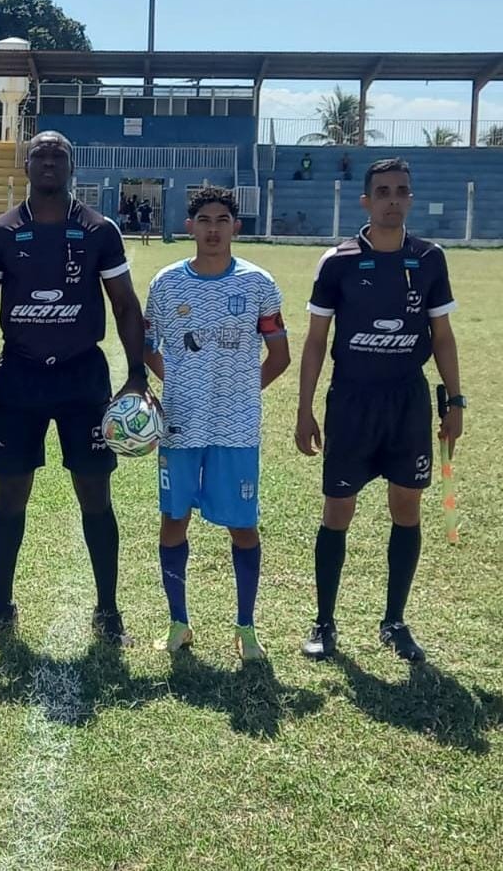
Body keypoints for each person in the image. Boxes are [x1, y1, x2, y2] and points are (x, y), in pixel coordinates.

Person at [0, 131, 148, 644]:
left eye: (57, 155)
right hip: (18, 378)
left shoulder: (99, 230)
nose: (47, 162)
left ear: (71, 166)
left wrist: (136, 372)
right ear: (25, 166)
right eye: (38, 155)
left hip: (81, 378)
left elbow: (126, 305)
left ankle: (108, 612)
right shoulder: (1, 232)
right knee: (9, 497)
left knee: (95, 495)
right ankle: (0, 607)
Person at [295, 158, 464, 663]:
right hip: (351, 404)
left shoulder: (429, 258)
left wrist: (455, 400)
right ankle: (324, 622)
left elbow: (443, 337)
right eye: (384, 191)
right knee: (338, 511)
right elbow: (315, 342)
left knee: (406, 508)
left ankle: (394, 621)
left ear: (410, 199)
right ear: (365, 200)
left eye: (402, 191)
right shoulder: (339, 261)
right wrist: (305, 409)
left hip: (407, 404)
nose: (394, 199)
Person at [144, 186, 290, 660]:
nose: (212, 228)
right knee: (173, 521)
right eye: (203, 219)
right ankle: (178, 623)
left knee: (243, 527)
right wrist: (178, 383)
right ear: (189, 226)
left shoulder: (257, 284)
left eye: (222, 219)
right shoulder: (166, 284)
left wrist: (242, 393)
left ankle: (246, 628)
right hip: (181, 426)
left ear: (236, 227)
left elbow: (280, 355)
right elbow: (148, 345)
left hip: (236, 429)